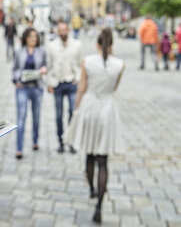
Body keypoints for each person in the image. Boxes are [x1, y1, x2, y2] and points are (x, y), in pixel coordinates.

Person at [64, 28, 125, 224]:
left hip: (90, 107)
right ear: (112, 44)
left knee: (89, 154)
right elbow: (114, 87)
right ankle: (99, 203)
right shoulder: (119, 64)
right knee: (103, 160)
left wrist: (75, 112)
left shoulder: (87, 61)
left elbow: (81, 88)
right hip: (107, 108)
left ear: (97, 44)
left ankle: (91, 188)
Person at [47, 21, 82, 153]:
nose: (62, 33)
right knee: (58, 114)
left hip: (71, 82)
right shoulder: (51, 46)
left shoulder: (77, 45)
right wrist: (49, 83)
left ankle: (71, 141)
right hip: (57, 83)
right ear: (57, 31)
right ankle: (60, 141)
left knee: (73, 113)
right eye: (60, 30)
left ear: (68, 30)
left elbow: (79, 64)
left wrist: (77, 78)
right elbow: (49, 66)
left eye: (64, 30)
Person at [12, 28, 47, 159]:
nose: (33, 39)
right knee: (21, 117)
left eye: (35, 37)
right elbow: (14, 69)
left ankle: (35, 140)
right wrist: (16, 80)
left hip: (37, 87)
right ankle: (19, 148)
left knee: (36, 116)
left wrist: (44, 69)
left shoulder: (41, 51)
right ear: (25, 38)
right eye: (31, 36)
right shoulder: (19, 51)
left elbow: (46, 65)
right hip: (22, 88)